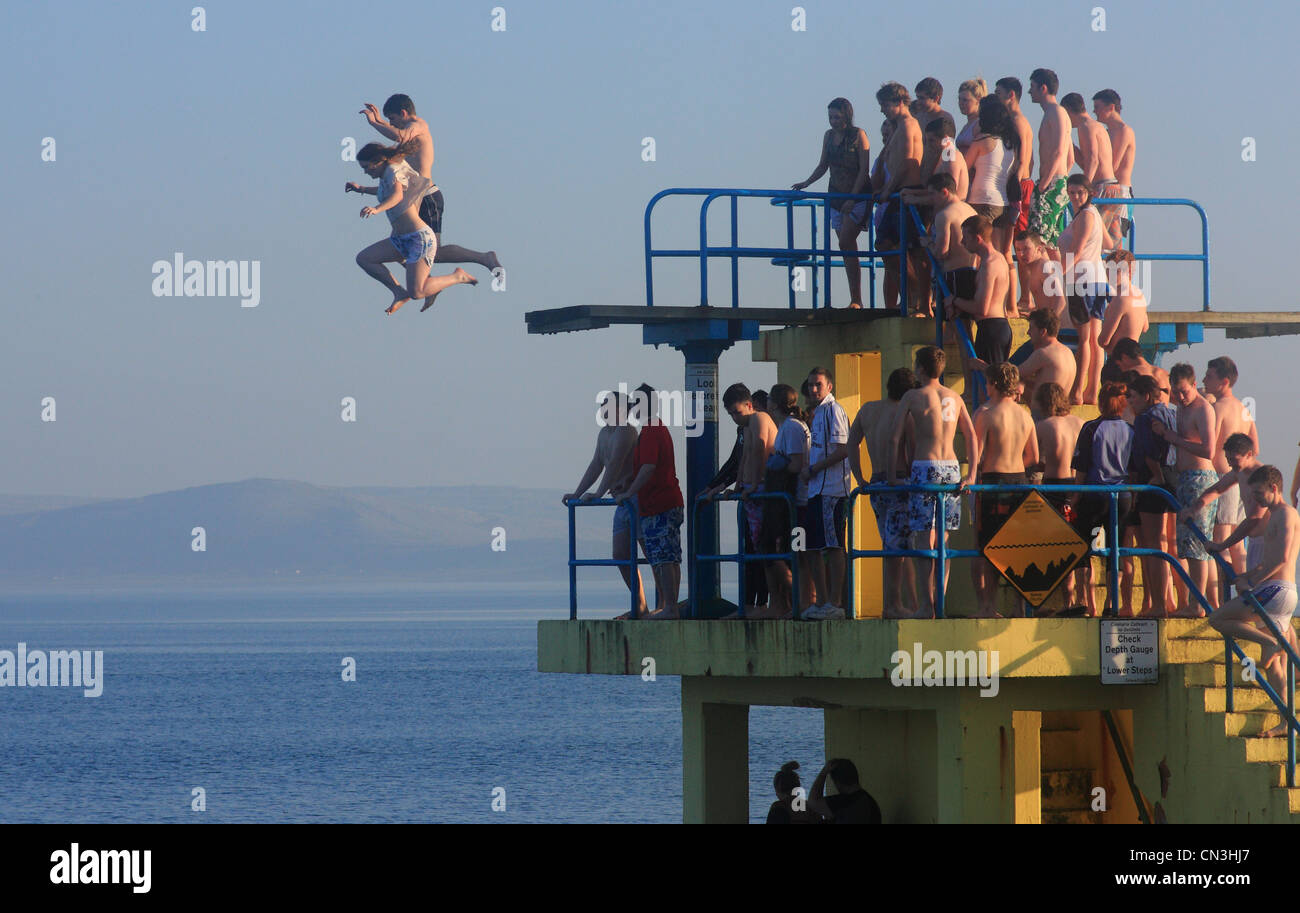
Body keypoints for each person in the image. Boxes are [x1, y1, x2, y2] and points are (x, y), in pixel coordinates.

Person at [359, 95, 502, 274]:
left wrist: (375, 123)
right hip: (414, 198)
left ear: (404, 113)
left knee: (434, 251)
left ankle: (483, 258)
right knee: (402, 245)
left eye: (393, 119)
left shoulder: (418, 125)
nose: (392, 124)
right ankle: (425, 285)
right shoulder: (410, 134)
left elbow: (401, 137)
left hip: (427, 197)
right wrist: (362, 189)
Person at [1207, 465, 1300, 737]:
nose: (1256, 499)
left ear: (1274, 488)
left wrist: (1252, 581)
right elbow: (1251, 530)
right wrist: (1240, 568)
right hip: (1280, 592)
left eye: (1259, 493)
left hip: (1276, 590)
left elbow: (1281, 559)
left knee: (1218, 619)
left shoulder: (1285, 514)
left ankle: (1273, 643)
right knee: (1275, 668)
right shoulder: (1274, 515)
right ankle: (1287, 723)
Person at [888, 346, 979, 618]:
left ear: (921, 369)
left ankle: (927, 605)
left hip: (925, 467)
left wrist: (893, 476)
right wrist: (971, 473)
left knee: (922, 539)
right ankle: (939, 602)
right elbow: (972, 437)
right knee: (944, 540)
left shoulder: (913, 396)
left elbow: (895, 438)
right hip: (951, 468)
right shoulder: (954, 397)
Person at [349, 141, 477, 313]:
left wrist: (376, 209)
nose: (365, 171)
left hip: (418, 239)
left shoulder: (393, 171)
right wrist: (361, 189)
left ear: (378, 161)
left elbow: (396, 195)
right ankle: (399, 293)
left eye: (366, 167)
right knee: (365, 259)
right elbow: (384, 190)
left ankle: (457, 276)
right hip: (399, 240)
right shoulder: (386, 177)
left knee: (417, 292)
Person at [564, 390, 646, 616]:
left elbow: (615, 464)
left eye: (606, 405)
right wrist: (578, 493)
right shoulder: (604, 433)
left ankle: (664, 602)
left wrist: (599, 493)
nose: (602, 410)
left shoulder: (626, 431)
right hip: (621, 501)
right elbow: (597, 464)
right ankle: (639, 603)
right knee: (620, 554)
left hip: (636, 498)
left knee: (649, 551)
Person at [849, 368, 920, 618]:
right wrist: (913, 482)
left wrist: (860, 478)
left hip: (876, 485)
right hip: (899, 484)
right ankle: (893, 605)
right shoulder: (905, 414)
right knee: (897, 549)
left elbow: (851, 444)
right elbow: (911, 452)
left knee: (896, 546)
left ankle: (909, 603)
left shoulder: (868, 409)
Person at [971, 363, 1039, 617]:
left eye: (988, 383)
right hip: (1020, 482)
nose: (986, 388)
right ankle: (1018, 607)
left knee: (986, 546)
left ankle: (987, 606)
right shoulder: (1025, 415)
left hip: (993, 481)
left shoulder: (986, 413)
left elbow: (976, 457)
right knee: (1016, 547)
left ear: (995, 384)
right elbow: (1034, 456)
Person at [792, 98, 872, 308]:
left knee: (846, 242)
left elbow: (864, 170)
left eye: (837, 117)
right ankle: (854, 298)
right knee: (846, 248)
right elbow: (823, 165)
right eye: (830, 117)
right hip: (835, 196)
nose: (833, 121)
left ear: (846, 115)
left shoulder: (858, 135)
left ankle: (857, 298)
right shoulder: (828, 136)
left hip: (857, 196)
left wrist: (853, 198)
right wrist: (806, 182)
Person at [614, 384, 685, 619]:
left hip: (659, 504)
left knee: (663, 557)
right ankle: (669, 606)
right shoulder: (654, 428)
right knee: (669, 556)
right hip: (667, 502)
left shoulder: (652, 430)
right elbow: (647, 467)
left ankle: (670, 607)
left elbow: (649, 468)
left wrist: (628, 492)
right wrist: (628, 483)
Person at [1157, 364, 1220, 616]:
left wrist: (1172, 438)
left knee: (1197, 544)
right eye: (1177, 392)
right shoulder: (1182, 405)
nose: (1180, 397)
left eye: (1184, 391)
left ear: (1194, 386)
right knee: (1186, 544)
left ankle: (1198, 604)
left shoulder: (1202, 409)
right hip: (1184, 478)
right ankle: (1198, 602)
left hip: (1200, 478)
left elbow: (1208, 450)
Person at [1070, 381, 1135, 616]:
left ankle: (1084, 600)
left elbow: (1081, 467)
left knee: (1083, 547)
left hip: (1094, 494)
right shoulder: (1131, 430)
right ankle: (1111, 602)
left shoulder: (1091, 429)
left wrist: (1076, 497)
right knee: (1115, 550)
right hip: (1123, 496)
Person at [718, 383, 778, 617]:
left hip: (763, 491)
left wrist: (753, 484)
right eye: (731, 414)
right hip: (752, 493)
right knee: (754, 550)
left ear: (749, 405)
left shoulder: (760, 419)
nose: (734, 417)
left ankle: (769, 604)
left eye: (737, 412)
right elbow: (745, 457)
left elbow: (762, 450)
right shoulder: (746, 427)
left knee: (767, 550)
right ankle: (752, 605)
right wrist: (738, 485)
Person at [801, 368, 853, 619]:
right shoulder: (818, 413)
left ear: (829, 387)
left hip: (832, 490)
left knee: (833, 546)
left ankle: (835, 602)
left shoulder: (834, 410)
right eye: (810, 385)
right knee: (811, 546)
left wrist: (814, 468)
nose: (813, 389)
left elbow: (844, 449)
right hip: (815, 490)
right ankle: (821, 600)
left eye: (818, 385)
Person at [1204, 357, 1259, 589]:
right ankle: (1246, 594)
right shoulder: (1244, 409)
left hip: (1223, 479)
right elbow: (1255, 448)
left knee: (1221, 540)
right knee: (1238, 544)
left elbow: (1207, 446)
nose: (1204, 380)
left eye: (1209, 376)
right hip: (1242, 481)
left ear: (1224, 381)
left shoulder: (1217, 408)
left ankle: (1220, 597)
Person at [963, 97, 1020, 315]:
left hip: (982, 199)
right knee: (1003, 254)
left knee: (979, 254)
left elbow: (964, 167)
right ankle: (1010, 305)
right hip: (1003, 202)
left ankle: (983, 300)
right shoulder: (1010, 143)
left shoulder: (981, 142)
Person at [1127, 375, 1177, 617]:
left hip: (1155, 478)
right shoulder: (1170, 413)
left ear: (1146, 396)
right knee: (1171, 544)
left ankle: (1158, 604)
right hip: (1174, 478)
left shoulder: (1145, 418)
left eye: (1133, 396)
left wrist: (1155, 475)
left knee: (1153, 545)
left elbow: (1148, 452)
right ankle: (1175, 600)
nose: (1129, 401)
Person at [874, 83, 925, 315]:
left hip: (906, 191)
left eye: (885, 105)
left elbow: (907, 161)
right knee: (886, 245)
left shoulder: (907, 125)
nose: (883, 110)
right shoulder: (898, 127)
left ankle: (917, 294)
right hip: (897, 193)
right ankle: (911, 291)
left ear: (899, 103)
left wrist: (888, 189)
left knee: (910, 249)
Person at [1034, 382, 1085, 614]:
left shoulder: (1044, 425)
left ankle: (1059, 602)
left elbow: (1032, 461)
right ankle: (1082, 600)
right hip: (1079, 488)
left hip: (1054, 487)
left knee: (1054, 548)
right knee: (1080, 547)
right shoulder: (1080, 424)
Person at [1058, 174, 1109, 405]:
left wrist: (1059, 274)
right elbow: (1108, 243)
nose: (1076, 196)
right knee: (1093, 340)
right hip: (1094, 278)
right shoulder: (1090, 215)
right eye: (1072, 192)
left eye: (1080, 192)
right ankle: (1090, 392)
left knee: (1086, 340)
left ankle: (1079, 391)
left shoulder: (1086, 216)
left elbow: (1077, 251)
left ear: (1089, 192)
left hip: (1083, 280)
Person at [763, 384, 812, 618]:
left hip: (799, 501)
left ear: (776, 403)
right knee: (792, 552)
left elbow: (796, 464)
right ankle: (799, 602)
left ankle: (805, 602)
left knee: (800, 553)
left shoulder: (791, 427)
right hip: (792, 501)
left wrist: (776, 464)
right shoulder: (786, 426)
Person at [1197, 434, 1267, 583]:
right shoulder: (1239, 472)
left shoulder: (1262, 476)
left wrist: (1223, 545)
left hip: (1267, 542)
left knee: (1260, 590)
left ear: (1249, 454)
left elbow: (1254, 519)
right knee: (1252, 591)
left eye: (1234, 460)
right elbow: (1217, 489)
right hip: (1254, 542)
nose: (1230, 465)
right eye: (1228, 460)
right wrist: (1193, 508)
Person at [947, 215, 1011, 377]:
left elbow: (982, 308)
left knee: (992, 386)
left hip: (991, 329)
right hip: (999, 327)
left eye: (965, 237)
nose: (962, 242)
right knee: (995, 383)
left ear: (977, 238)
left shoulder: (990, 264)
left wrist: (954, 300)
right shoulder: (999, 259)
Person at [1026, 68, 1074, 248]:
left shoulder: (1056, 112)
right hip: (1056, 181)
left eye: (1032, 86)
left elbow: (1060, 152)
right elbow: (1070, 158)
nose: (1030, 91)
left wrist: (1045, 183)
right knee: (1051, 240)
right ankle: (1053, 275)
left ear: (1043, 88)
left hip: (1051, 182)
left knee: (1039, 239)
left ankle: (1047, 275)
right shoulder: (1056, 113)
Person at [1092, 89, 1136, 249]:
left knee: (1116, 242)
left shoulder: (1124, 130)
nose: (1094, 111)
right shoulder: (1106, 132)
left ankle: (1121, 273)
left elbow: (1113, 165)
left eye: (1097, 106)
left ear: (1110, 107)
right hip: (1105, 189)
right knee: (1100, 240)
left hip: (1120, 192)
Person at [1061, 93, 1117, 200]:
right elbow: (1086, 163)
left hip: (1104, 187)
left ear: (1068, 110)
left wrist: (1083, 188)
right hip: (1107, 185)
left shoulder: (1086, 127)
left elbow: (1093, 160)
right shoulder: (1093, 125)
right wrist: (1068, 142)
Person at [1019, 308, 1077, 412]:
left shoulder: (1044, 353)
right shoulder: (1068, 353)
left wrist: (983, 366)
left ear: (1043, 332)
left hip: (1044, 414)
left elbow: (1012, 374)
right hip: (1062, 413)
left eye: (1031, 328)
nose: (1028, 332)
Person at [1097, 250, 1148, 355]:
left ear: (1128, 271)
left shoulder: (1120, 300)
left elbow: (1103, 341)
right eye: (1108, 269)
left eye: (1115, 270)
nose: (1109, 274)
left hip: (1120, 360)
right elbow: (1145, 327)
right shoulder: (1140, 295)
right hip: (1134, 355)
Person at [808, 758, 883, 824]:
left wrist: (823, 772)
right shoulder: (870, 802)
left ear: (837, 782)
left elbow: (813, 802)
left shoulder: (844, 803)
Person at [1013, 231, 1067, 321]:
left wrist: (1047, 326)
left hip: (1061, 330)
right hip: (1052, 325)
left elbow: (1061, 302)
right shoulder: (1033, 268)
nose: (1021, 254)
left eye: (1026, 249)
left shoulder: (1045, 267)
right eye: (1018, 249)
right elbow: (1046, 302)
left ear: (1039, 248)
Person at [955, 78, 988, 154]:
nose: (961, 103)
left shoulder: (980, 124)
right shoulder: (966, 126)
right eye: (959, 99)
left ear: (978, 101)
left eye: (965, 100)